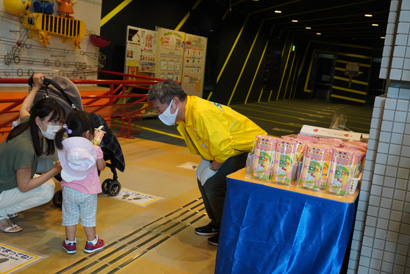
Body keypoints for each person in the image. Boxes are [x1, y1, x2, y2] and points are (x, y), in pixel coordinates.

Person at [148, 80, 267, 246]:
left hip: (250, 149)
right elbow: (203, 142)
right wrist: (205, 162)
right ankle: (217, 223)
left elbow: (224, 148)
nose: (159, 114)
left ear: (175, 102)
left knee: (214, 183)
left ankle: (227, 230)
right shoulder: (185, 115)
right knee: (202, 180)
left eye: (159, 109)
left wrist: (212, 169)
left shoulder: (202, 113)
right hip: (229, 149)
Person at [0, 73, 65, 233]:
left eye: (60, 121)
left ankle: (3, 210)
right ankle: (1, 213)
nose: (58, 126)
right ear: (38, 120)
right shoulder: (26, 148)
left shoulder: (27, 124)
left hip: (4, 183)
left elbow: (24, 108)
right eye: (54, 121)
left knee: (41, 181)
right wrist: (54, 171)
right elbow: (24, 187)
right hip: (3, 188)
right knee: (47, 189)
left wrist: (36, 86)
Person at [55, 110, 106, 254]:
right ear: (88, 133)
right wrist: (98, 151)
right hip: (88, 191)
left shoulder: (63, 146)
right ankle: (92, 242)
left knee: (69, 217)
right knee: (88, 217)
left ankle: (70, 243)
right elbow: (101, 167)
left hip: (69, 189)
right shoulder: (94, 149)